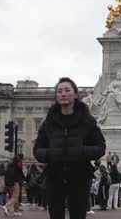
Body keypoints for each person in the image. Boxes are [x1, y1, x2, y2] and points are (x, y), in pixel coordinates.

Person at [33, 77, 106, 219]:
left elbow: (100, 147)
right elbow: (37, 150)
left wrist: (80, 151)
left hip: (80, 176)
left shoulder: (87, 121)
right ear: (56, 96)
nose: (63, 94)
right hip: (55, 176)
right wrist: (53, 154)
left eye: (67, 90)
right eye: (59, 91)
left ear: (76, 95)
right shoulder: (49, 122)